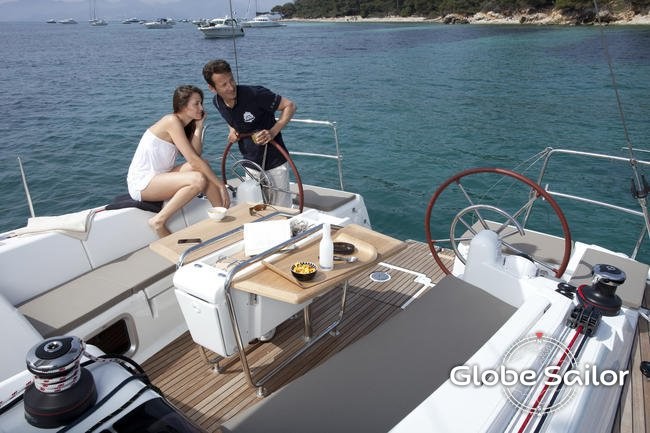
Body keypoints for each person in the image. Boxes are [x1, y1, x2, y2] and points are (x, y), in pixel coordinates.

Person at [127, 85, 230, 237]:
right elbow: (193, 161)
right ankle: (158, 221)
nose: (201, 108)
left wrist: (199, 127)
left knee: (204, 166)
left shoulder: (184, 125)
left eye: (201, 103)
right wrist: (220, 185)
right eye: (196, 104)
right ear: (182, 105)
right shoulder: (171, 121)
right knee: (198, 179)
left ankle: (222, 214)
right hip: (143, 183)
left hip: (161, 175)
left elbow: (196, 155)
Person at [202, 59, 297, 208]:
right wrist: (232, 129)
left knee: (281, 209)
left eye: (231, 80)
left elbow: (289, 106)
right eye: (224, 84)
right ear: (212, 88)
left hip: (275, 162)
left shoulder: (255, 94)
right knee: (256, 207)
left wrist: (273, 131)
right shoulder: (217, 102)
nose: (231, 87)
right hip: (250, 163)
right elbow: (230, 118)